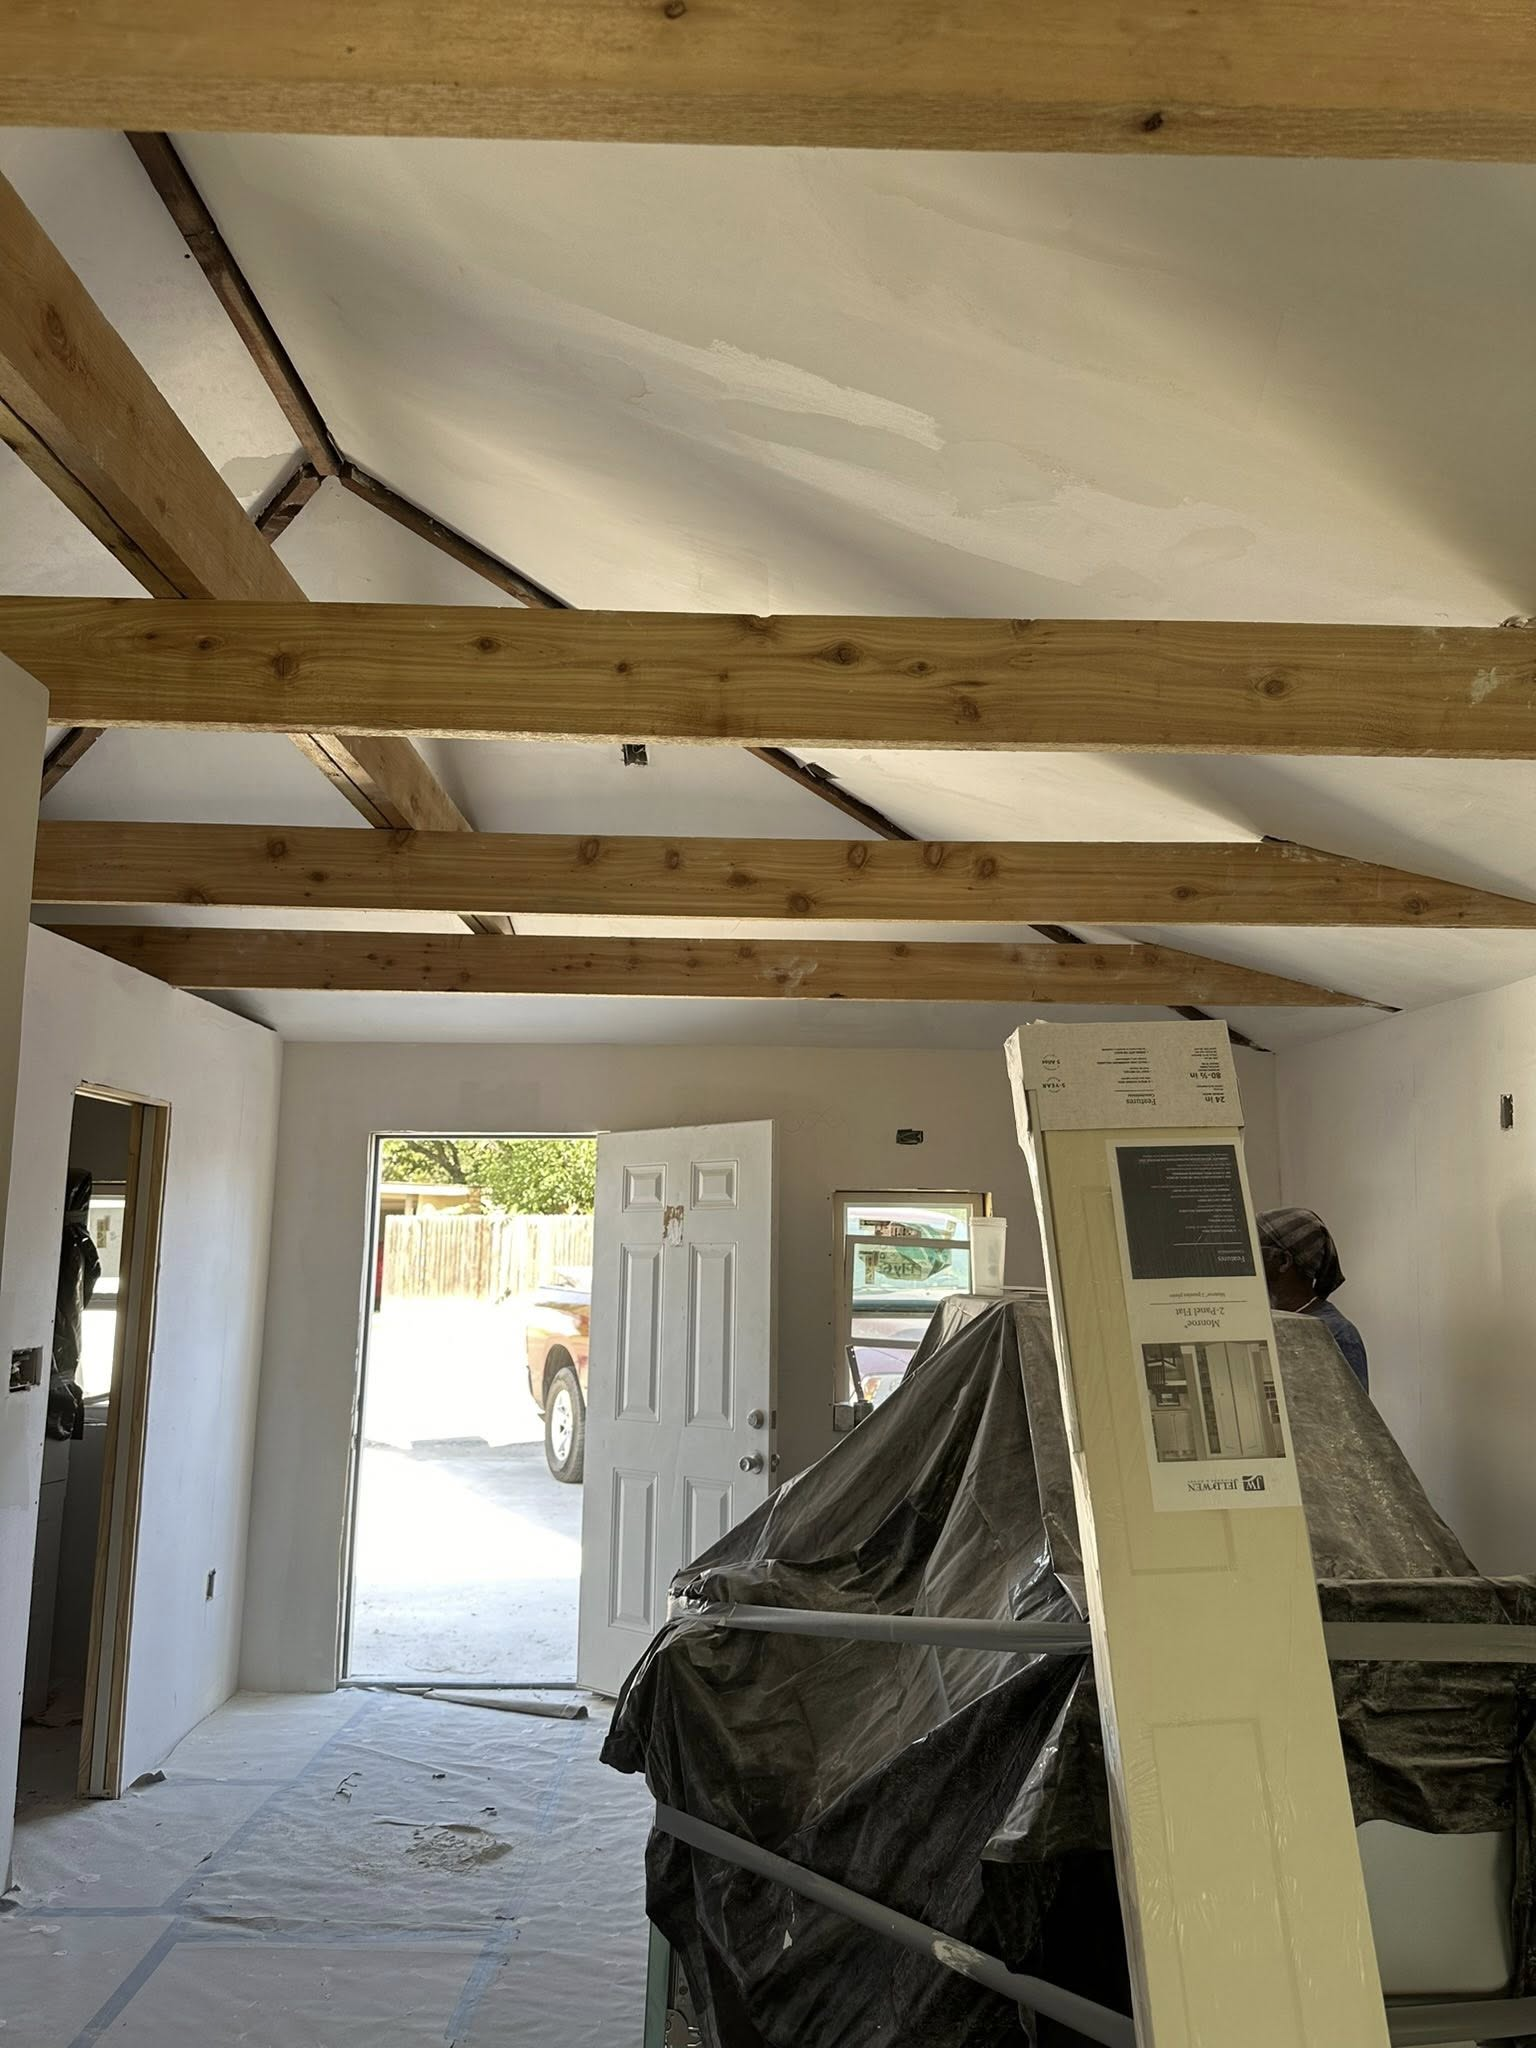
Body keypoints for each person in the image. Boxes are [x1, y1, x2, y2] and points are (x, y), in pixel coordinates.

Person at [1256, 1207, 1368, 1392]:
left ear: (1284, 1261)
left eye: (1254, 1251)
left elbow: (1351, 1418)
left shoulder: (1336, 1334)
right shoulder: (1267, 1321)